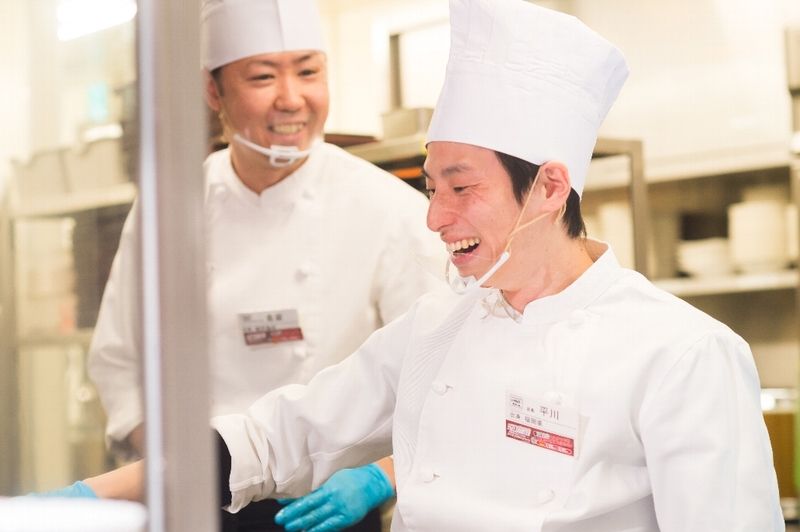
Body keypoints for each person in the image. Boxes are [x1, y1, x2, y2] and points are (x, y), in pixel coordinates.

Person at [64, 0, 784, 530]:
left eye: (462, 189)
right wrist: (89, 496)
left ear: (549, 188)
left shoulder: (684, 355)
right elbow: (279, 435)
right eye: (432, 188)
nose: (435, 218)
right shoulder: (439, 325)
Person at [84, 0, 446, 530]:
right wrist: (175, 467)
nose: (291, 98)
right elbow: (121, 359)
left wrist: (381, 476)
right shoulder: (171, 205)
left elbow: (438, 378)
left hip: (327, 508)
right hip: (197, 499)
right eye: (262, 76)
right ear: (213, 91)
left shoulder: (390, 209)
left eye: (308, 72)